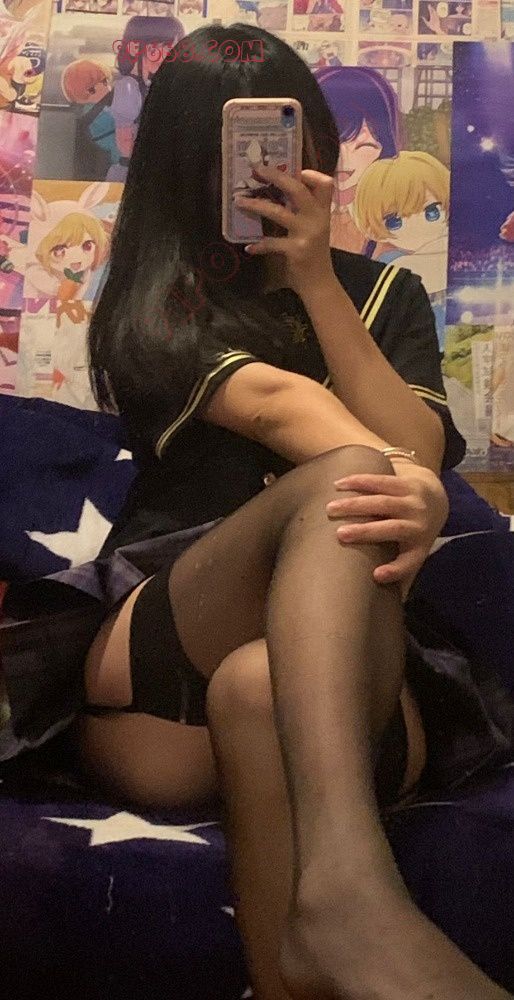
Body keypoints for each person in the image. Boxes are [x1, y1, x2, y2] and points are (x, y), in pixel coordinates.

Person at [10, 23, 513, 1000]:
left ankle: (323, 937)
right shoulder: (154, 294)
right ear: (180, 165)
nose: (258, 171)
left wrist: (319, 279)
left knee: (260, 683)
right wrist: (402, 477)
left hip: (344, 662)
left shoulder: (387, 294)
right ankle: (352, 899)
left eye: (286, 138)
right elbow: (292, 414)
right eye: (227, 152)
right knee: (341, 478)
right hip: (168, 664)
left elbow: (421, 448)